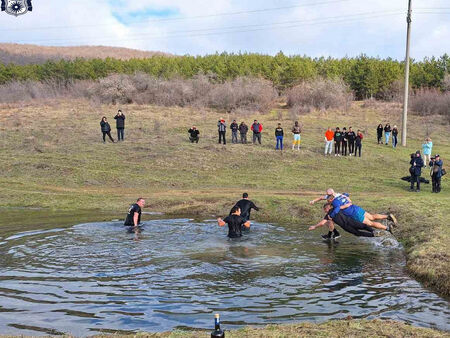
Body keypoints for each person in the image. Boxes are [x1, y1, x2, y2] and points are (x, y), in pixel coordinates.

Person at [325, 191, 397, 232]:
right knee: (372, 217)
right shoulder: (340, 196)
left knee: (370, 223)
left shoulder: (334, 202)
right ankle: (388, 216)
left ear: (331, 199)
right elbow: (346, 195)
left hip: (354, 213)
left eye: (327, 200)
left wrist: (331, 215)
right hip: (357, 208)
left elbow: (337, 209)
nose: (327, 201)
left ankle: (387, 228)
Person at [309, 203, 377, 239]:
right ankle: (374, 232)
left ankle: (374, 235)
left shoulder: (328, 215)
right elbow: (347, 205)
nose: (324, 211)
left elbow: (322, 223)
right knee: (363, 226)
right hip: (351, 221)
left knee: (358, 233)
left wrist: (314, 226)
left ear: (327, 208)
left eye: (324, 209)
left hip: (346, 226)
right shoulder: (337, 209)